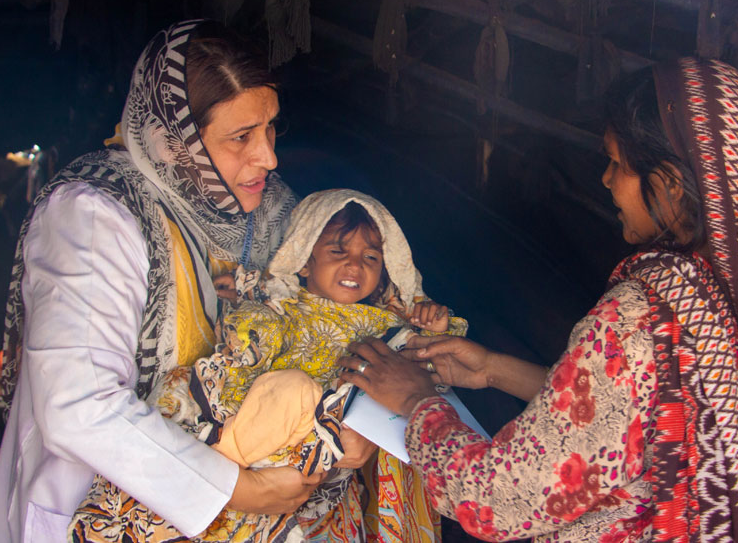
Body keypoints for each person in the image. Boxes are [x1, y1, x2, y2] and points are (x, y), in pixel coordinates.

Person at [340, 57, 738, 542]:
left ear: (668, 184)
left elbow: (498, 498)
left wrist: (415, 402)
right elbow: (652, 416)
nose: (606, 180)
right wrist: (494, 370)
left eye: (617, 163)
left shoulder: (642, 321)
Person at [0, 20, 372, 542]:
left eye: (271, 128)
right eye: (241, 137)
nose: (269, 157)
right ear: (173, 141)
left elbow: (339, 322)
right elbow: (80, 404)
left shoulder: (280, 214)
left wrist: (353, 425)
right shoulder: (95, 214)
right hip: (96, 513)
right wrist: (234, 486)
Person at [69, 189, 467, 541]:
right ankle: (213, 472)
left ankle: (214, 482)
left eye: (370, 257)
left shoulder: (382, 326)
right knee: (284, 389)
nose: (355, 265)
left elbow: (429, 362)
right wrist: (245, 293)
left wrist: (433, 325)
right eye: (337, 251)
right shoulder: (280, 301)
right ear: (304, 260)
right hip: (254, 417)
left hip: (311, 444)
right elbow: (256, 299)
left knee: (298, 394)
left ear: (385, 271)